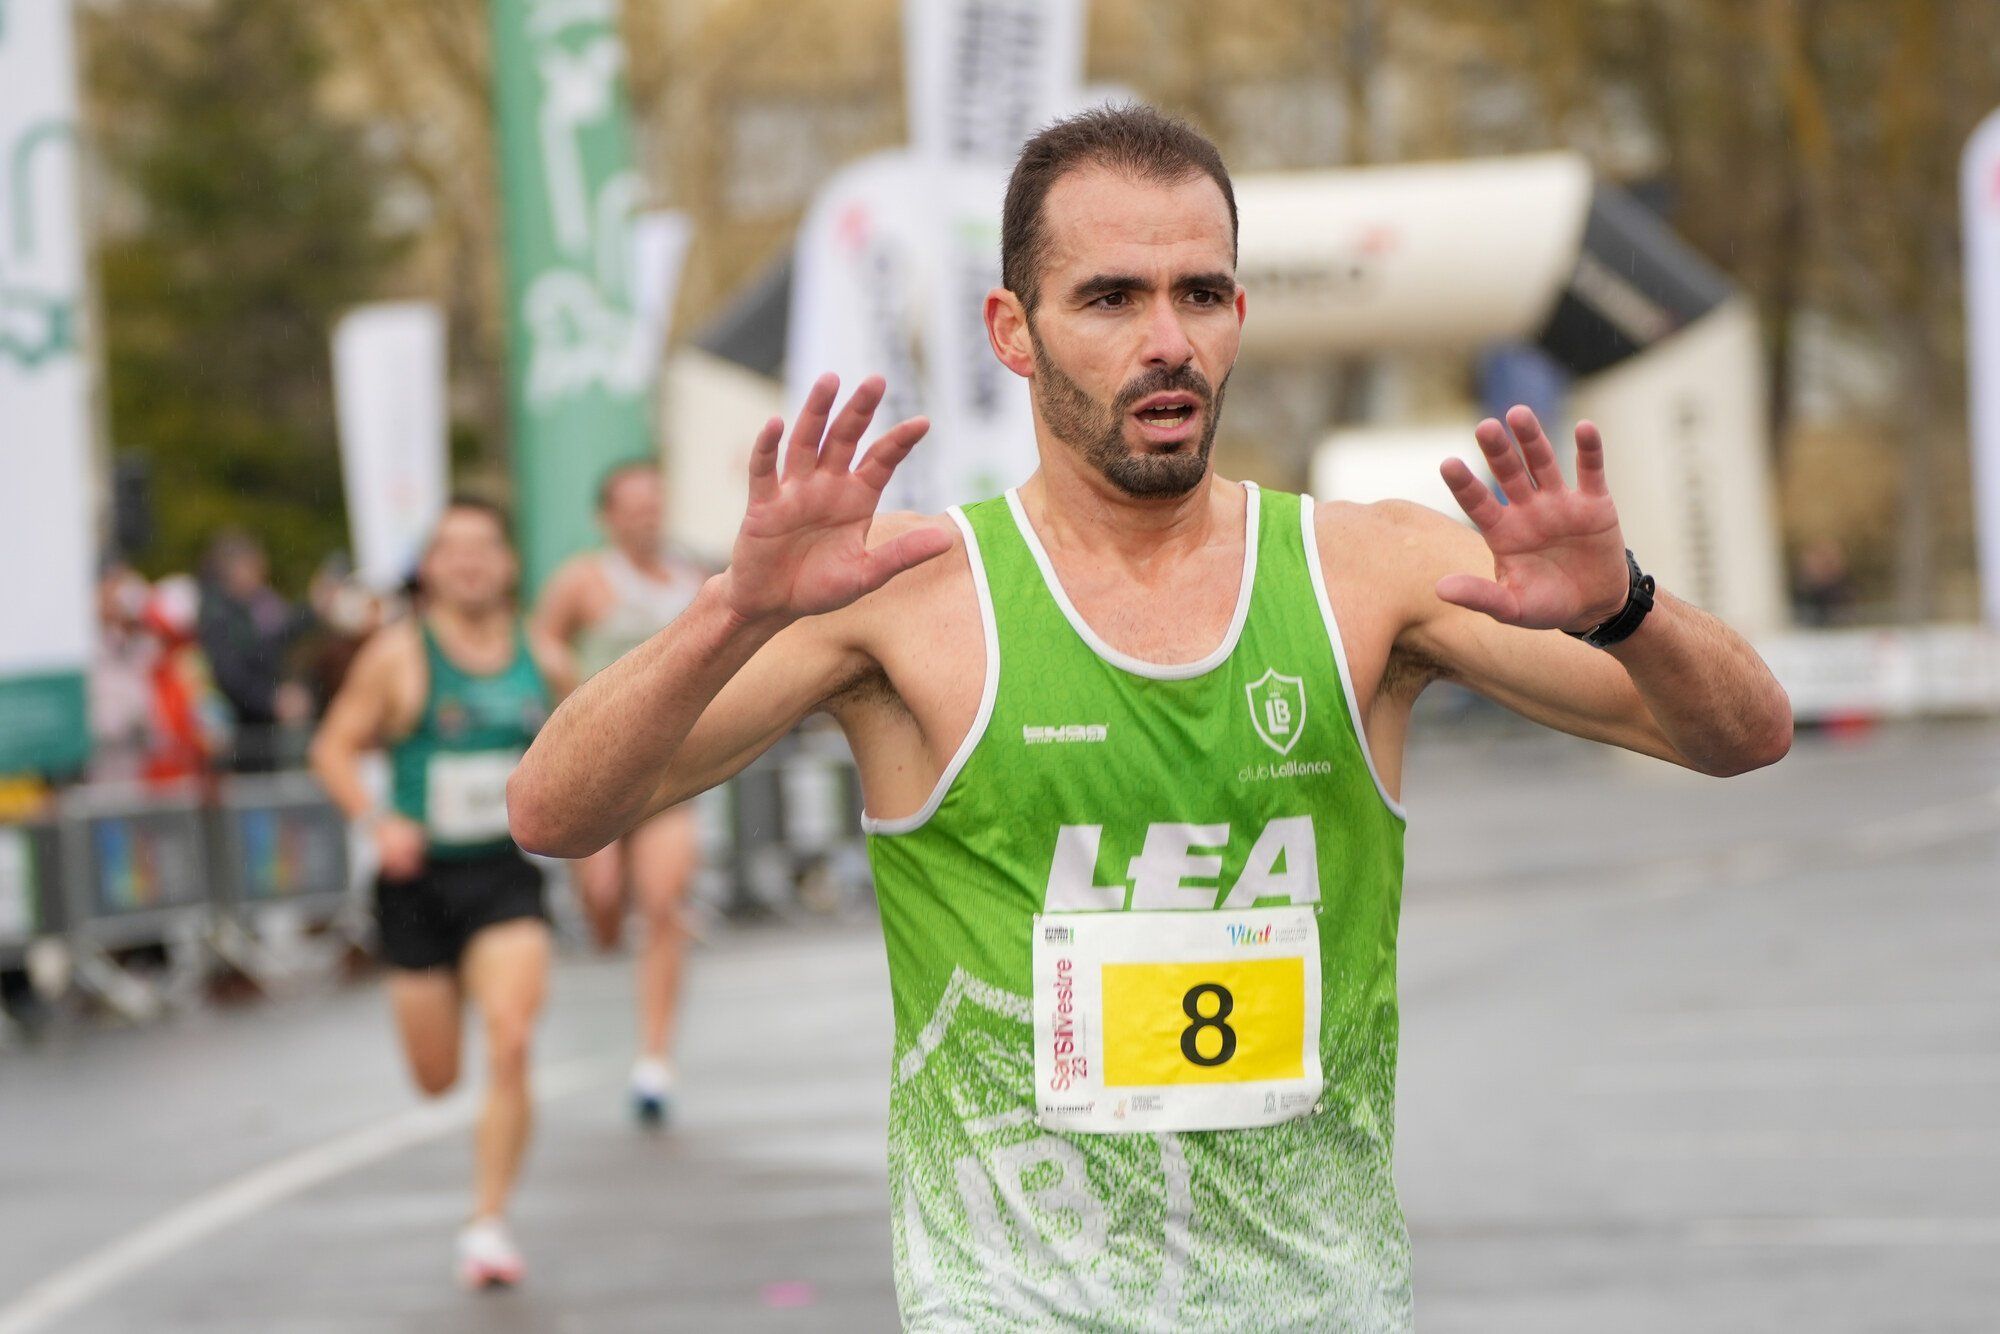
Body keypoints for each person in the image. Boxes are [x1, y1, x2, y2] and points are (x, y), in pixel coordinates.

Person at [509, 106, 1792, 1330]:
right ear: (1012, 330)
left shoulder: (1373, 572)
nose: (1165, 337)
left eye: (1199, 293)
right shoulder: (905, 595)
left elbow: (1739, 733)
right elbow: (556, 811)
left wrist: (1625, 604)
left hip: (1314, 1307)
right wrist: (732, 609)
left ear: (1238, 312)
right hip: (1011, 1307)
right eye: (1111, 297)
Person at [310, 498, 574, 1290]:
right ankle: (483, 1203)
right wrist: (377, 820)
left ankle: (487, 1223)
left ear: (508, 563)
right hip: (417, 881)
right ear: (428, 568)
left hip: (503, 875)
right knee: (437, 1078)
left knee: (513, 1037)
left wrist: (600, 840)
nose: (468, 563)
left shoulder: (544, 655)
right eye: (450, 549)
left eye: (483, 547)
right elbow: (333, 747)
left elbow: (594, 746)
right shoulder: (399, 656)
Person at [532, 462, 706, 1125]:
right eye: (631, 507)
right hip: (597, 771)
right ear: (607, 516)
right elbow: (542, 636)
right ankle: (607, 933)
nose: (646, 517)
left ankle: (655, 1058)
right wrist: (564, 674)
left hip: (669, 774)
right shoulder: (585, 580)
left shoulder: (692, 583)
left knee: (663, 904)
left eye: (654, 504)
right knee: (604, 900)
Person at [197, 530, 312, 771]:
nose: (261, 575)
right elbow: (231, 675)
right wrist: (273, 700)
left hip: (260, 732)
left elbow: (274, 642)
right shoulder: (219, 615)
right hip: (241, 738)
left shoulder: (256, 605)